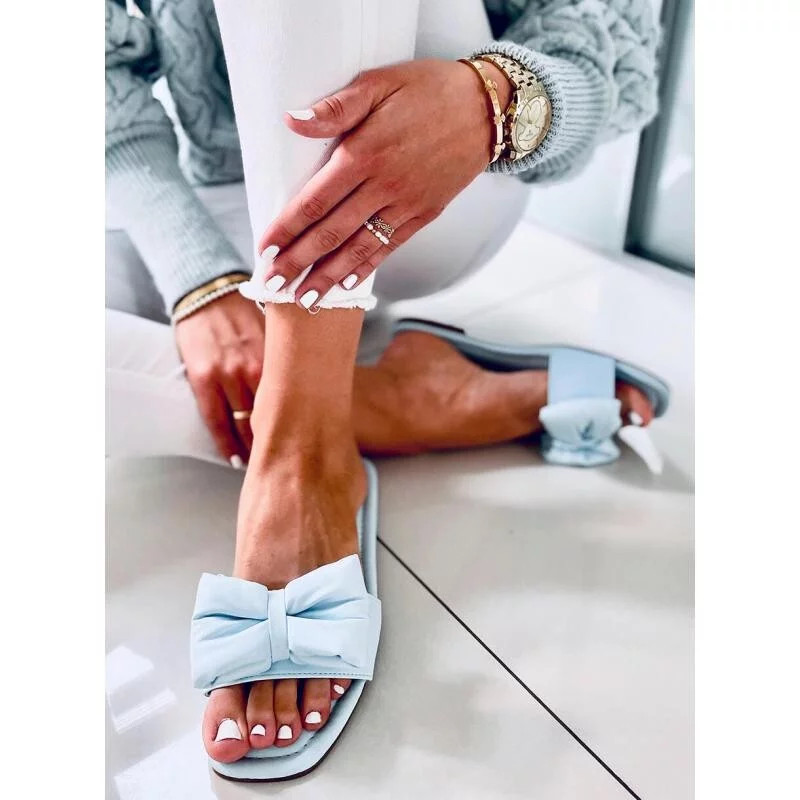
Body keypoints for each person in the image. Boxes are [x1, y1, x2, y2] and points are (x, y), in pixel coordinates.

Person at [106, 0, 660, 762]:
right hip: (224, 200)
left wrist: (488, 100)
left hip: (434, 176)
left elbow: (616, 56)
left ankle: (301, 451)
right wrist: (200, 279)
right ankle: (389, 398)